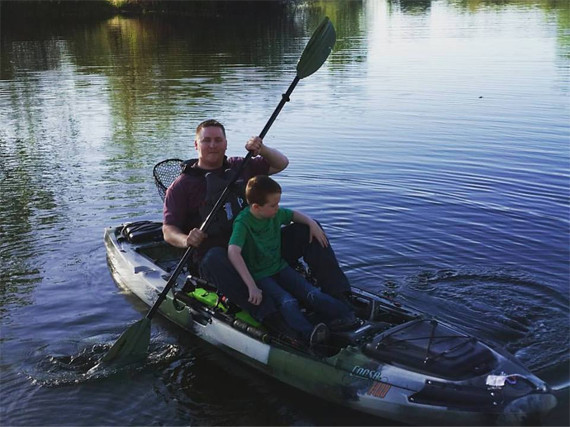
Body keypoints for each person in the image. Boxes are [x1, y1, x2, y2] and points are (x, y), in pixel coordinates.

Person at [163, 119, 353, 330]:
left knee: (307, 228)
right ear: (196, 145)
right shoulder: (181, 186)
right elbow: (168, 230)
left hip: (260, 249)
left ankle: (340, 298)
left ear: (226, 143)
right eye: (206, 140)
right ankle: (272, 317)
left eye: (218, 140)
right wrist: (185, 239)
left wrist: (262, 149)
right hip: (222, 259)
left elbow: (281, 163)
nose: (213, 145)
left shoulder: (240, 166)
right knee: (213, 259)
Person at [227, 175, 356, 345]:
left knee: (312, 293)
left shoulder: (274, 214)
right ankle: (308, 334)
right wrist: (251, 286)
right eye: (273, 205)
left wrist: (311, 223)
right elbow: (233, 251)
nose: (277, 208)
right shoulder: (243, 223)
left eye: (278, 203)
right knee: (288, 301)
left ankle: (348, 315)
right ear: (257, 207)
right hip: (260, 275)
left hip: (279, 266)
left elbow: (294, 215)